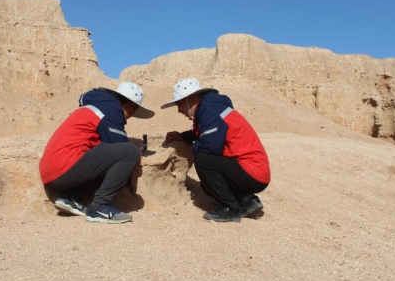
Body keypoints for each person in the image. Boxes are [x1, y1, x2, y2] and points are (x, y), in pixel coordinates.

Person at [39, 82, 154, 223]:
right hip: (64, 166)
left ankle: (70, 197)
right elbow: (119, 145)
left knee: (102, 154)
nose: (128, 118)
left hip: (52, 170)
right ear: (131, 106)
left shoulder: (96, 106)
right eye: (133, 112)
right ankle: (100, 206)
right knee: (130, 151)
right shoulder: (111, 109)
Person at [163, 78, 270, 223]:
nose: (179, 110)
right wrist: (184, 137)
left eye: (180, 104)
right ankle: (247, 201)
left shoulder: (208, 109)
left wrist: (191, 148)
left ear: (191, 99)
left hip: (251, 171)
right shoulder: (211, 108)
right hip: (256, 171)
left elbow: (211, 146)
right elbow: (206, 132)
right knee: (208, 186)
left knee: (203, 159)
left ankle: (231, 209)